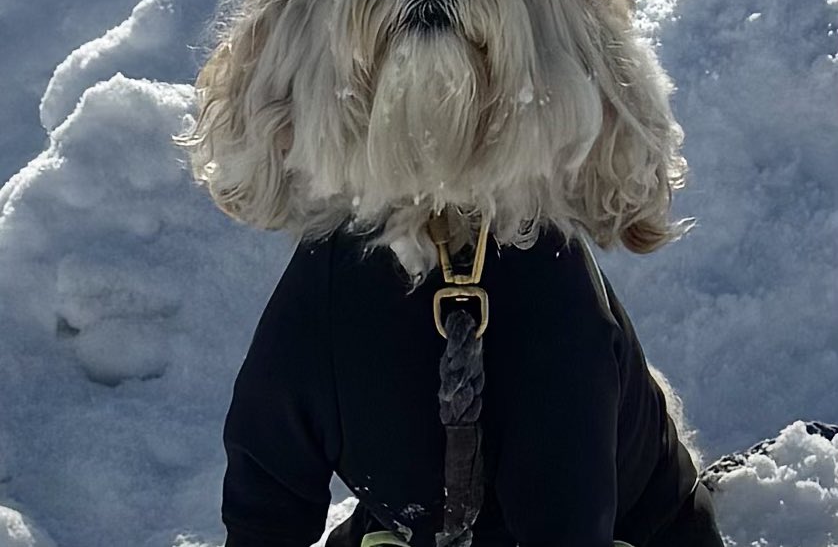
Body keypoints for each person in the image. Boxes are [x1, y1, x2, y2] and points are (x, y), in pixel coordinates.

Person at [220, 223, 725, 547]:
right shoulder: (327, 280)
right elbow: (264, 505)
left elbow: (573, 526)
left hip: (630, 531)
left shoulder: (557, 306)